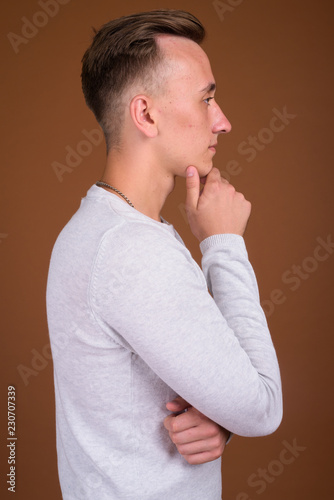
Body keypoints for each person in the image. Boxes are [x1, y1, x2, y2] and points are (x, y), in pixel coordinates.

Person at [46, 9, 282, 500]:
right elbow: (263, 405)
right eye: (207, 99)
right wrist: (224, 245)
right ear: (146, 114)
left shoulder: (95, 229)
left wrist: (222, 417)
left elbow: (181, 390)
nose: (223, 121)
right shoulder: (133, 252)